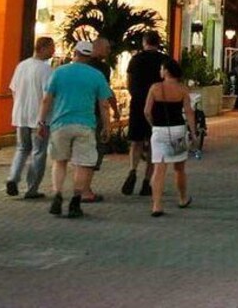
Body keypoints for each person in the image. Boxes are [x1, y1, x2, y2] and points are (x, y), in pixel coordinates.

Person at [37, 41, 113, 218]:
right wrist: (107, 126)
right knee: (83, 163)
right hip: (85, 124)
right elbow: (104, 103)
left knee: (59, 161)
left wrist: (41, 122)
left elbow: (47, 99)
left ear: (75, 53)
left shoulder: (59, 72)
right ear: (90, 55)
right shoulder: (96, 75)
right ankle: (75, 200)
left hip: (60, 124)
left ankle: (57, 194)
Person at [144, 58, 197, 217]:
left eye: (161, 69)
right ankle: (182, 198)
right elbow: (189, 112)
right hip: (178, 131)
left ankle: (157, 205)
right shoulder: (183, 89)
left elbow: (147, 111)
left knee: (159, 169)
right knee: (179, 168)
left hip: (160, 130)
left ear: (166, 71)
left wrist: (154, 124)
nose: (160, 71)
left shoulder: (155, 88)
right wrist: (193, 132)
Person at [6, 37, 55, 199]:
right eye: (51, 48)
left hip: (20, 115)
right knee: (38, 152)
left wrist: (18, 106)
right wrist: (43, 120)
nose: (53, 51)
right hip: (38, 118)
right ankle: (31, 188)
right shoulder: (46, 70)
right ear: (43, 48)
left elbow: (13, 89)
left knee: (21, 149)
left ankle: (13, 177)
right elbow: (47, 96)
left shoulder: (22, 66)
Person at [122, 31, 166, 197]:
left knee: (136, 141)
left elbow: (129, 82)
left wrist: (135, 94)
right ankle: (147, 181)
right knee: (153, 143)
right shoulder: (164, 60)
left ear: (144, 42)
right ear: (158, 42)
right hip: (158, 105)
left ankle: (132, 170)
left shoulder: (136, 59)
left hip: (138, 103)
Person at [82, 37, 121, 203]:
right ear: (96, 48)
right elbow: (105, 93)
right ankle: (85, 188)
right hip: (94, 115)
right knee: (94, 151)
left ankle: (79, 187)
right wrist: (113, 111)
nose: (109, 52)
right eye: (106, 48)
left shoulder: (78, 66)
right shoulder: (102, 69)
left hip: (78, 114)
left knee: (82, 153)